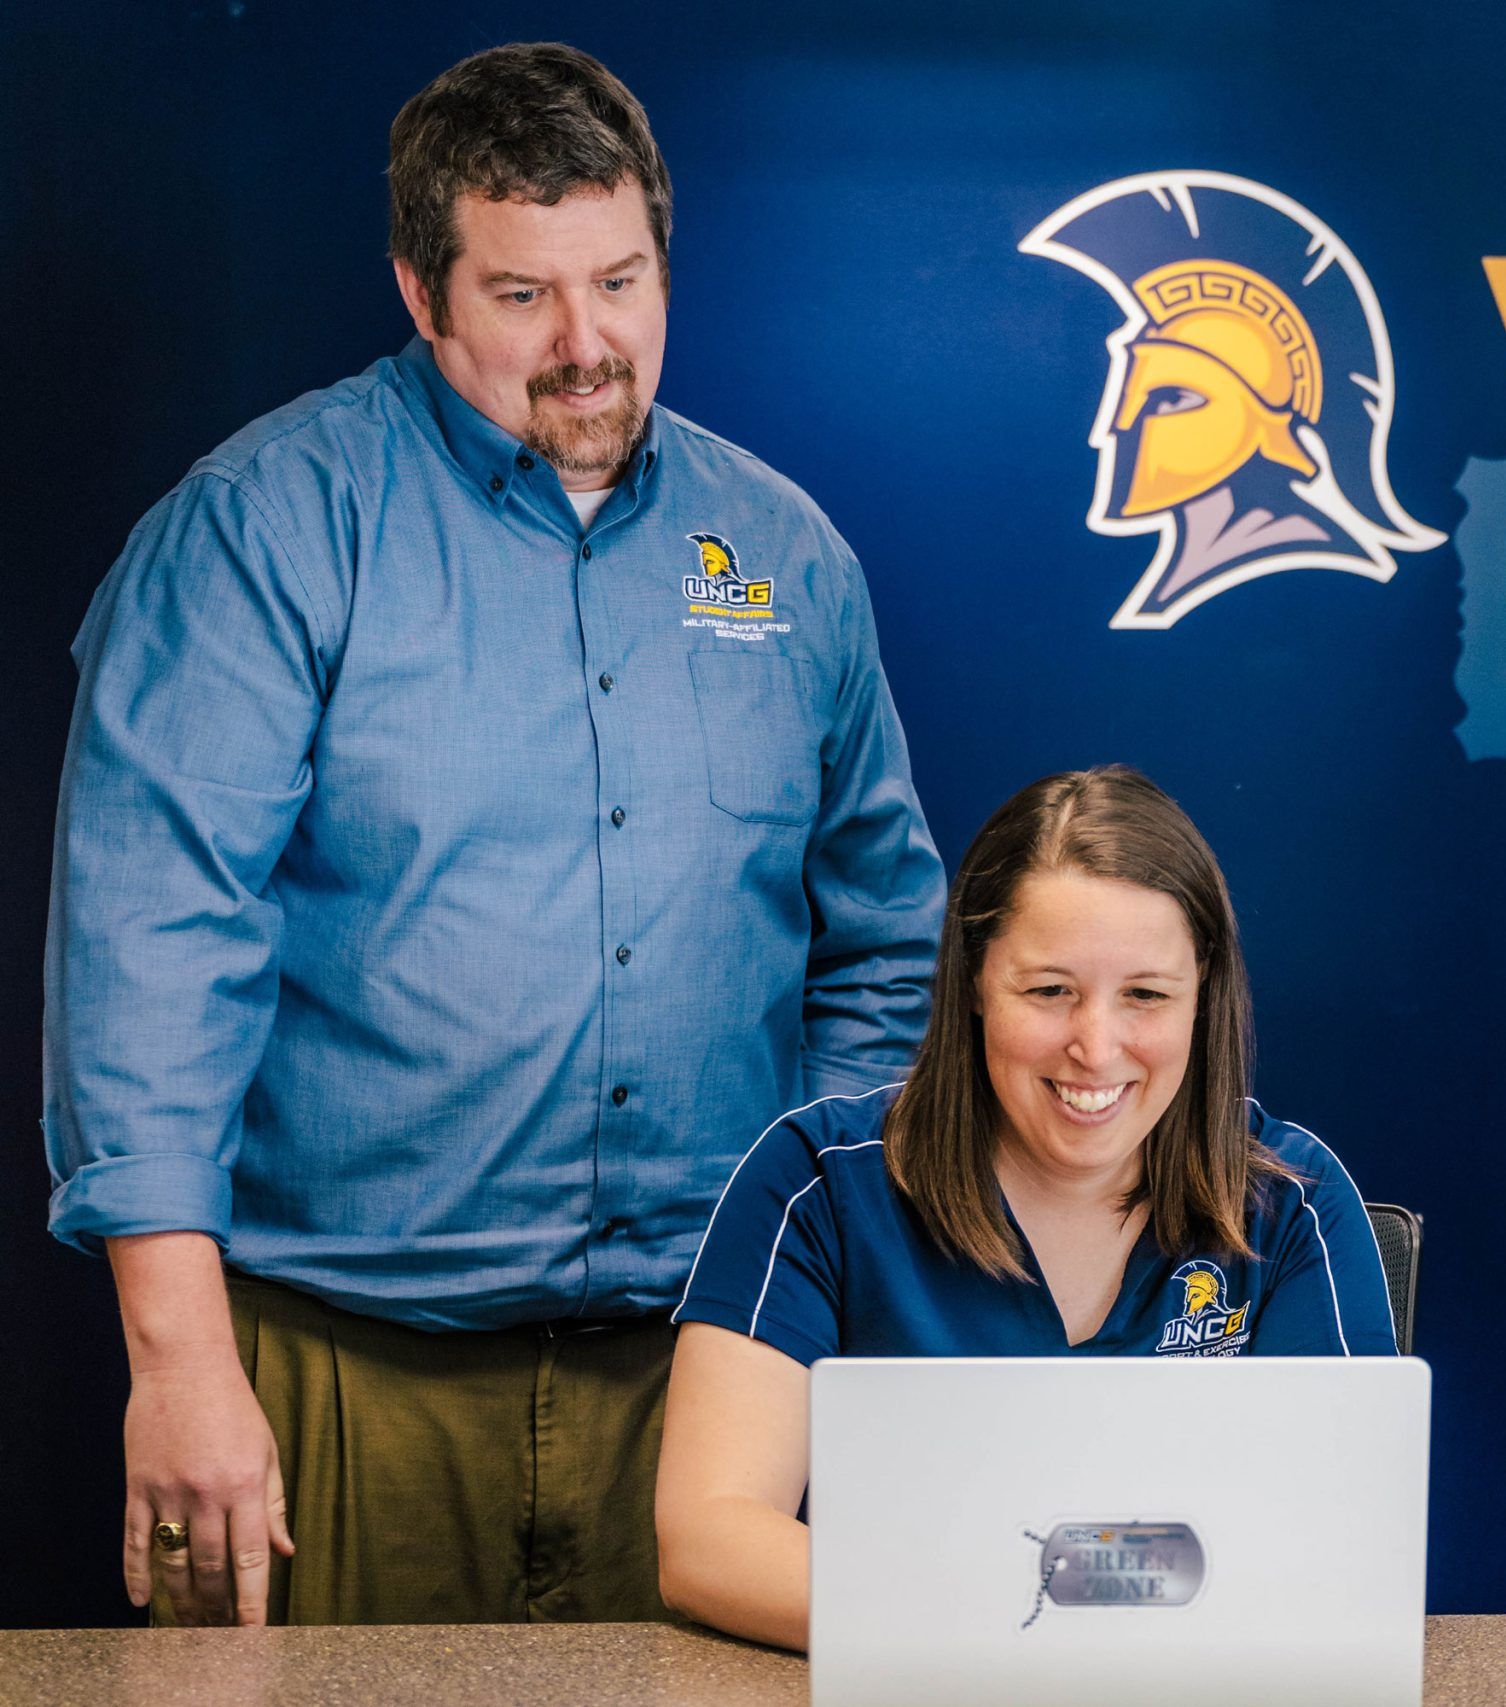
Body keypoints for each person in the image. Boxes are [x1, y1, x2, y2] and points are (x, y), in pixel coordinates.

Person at [43, 44, 944, 1627]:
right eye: (525, 295)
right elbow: (149, 949)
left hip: (702, 1380)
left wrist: (813, 1270)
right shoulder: (264, 529)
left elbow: (882, 942)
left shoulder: (783, 555)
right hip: (339, 1372)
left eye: (622, 280)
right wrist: (177, 1363)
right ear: (421, 289)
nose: (588, 345)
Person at [654, 766, 1397, 1650]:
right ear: (973, 982)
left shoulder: (1293, 1200)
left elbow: (1345, 1550)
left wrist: (1027, 1592)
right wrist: (1017, 1617)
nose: (1096, 1045)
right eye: (1050, 990)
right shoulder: (813, 1182)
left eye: (1147, 995)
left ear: (1205, 999)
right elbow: (709, 1539)